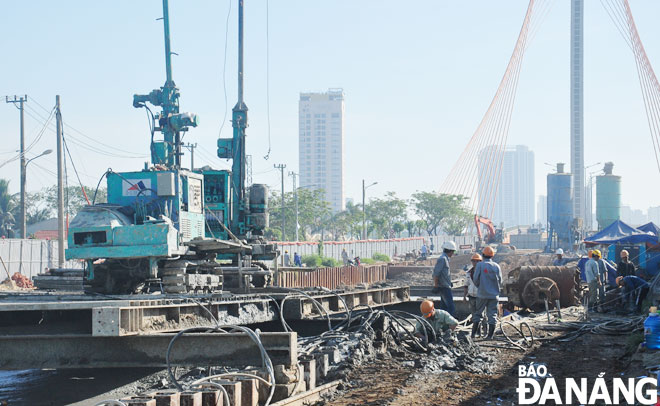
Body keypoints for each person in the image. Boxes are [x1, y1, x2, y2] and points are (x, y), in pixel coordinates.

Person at [472, 246, 502, 339]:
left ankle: (473, 334)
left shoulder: (480, 265)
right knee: (492, 315)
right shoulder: (497, 266)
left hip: (482, 294)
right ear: (492, 256)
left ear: (483, 255)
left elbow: (475, 279)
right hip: (494, 295)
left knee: (478, 314)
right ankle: (490, 335)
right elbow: (500, 281)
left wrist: (480, 287)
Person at [431, 241, 457, 316]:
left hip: (445, 286)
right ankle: (448, 324)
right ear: (450, 251)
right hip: (444, 287)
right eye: (453, 251)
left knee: (444, 307)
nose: (453, 253)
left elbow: (443, 274)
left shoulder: (445, 258)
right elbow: (436, 273)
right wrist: (436, 286)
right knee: (450, 308)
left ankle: (443, 324)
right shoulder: (442, 259)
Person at [463, 253, 484, 336]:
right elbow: (466, 285)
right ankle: (477, 332)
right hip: (471, 296)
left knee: (480, 315)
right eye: (473, 261)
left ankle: (477, 333)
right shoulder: (469, 273)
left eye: (477, 261)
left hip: (480, 296)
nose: (475, 263)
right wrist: (464, 297)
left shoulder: (483, 273)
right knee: (474, 315)